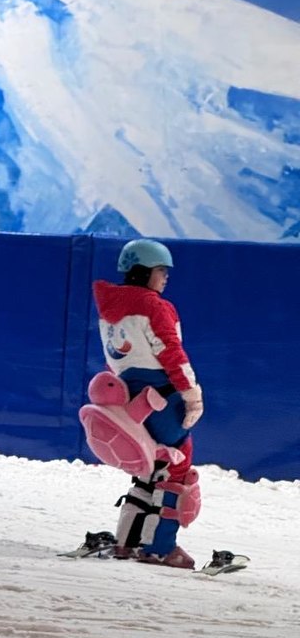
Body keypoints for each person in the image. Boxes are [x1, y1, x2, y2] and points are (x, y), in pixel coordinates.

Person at [92, 238, 204, 568]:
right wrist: (192, 394)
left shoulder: (109, 308)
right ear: (142, 272)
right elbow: (171, 352)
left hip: (131, 398)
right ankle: (160, 546)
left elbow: (114, 360)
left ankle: (127, 540)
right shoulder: (155, 306)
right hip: (163, 397)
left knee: (150, 467)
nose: (166, 277)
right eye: (161, 270)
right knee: (178, 468)